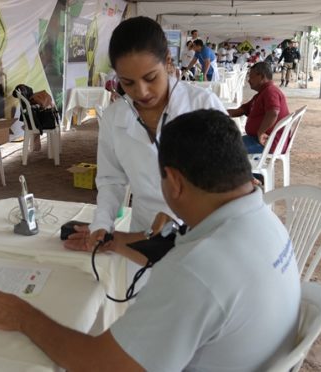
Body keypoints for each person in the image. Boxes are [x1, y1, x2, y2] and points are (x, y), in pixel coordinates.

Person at [0, 109, 301, 371]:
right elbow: (175, 248)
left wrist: (23, 316)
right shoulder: (264, 222)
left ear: (173, 182)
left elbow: (100, 366)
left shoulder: (196, 272)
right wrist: (111, 242)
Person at [64, 16, 225, 253]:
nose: (141, 91)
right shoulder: (114, 117)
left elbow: (228, 177)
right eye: (127, 83)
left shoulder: (202, 105)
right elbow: (111, 180)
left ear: (168, 62)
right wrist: (102, 224)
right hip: (143, 231)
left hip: (204, 233)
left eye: (151, 78)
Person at [227, 62, 291, 154]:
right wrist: (218, 114)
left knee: (224, 149)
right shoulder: (262, 93)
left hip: (268, 142)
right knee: (224, 143)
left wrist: (260, 132)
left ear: (262, 77)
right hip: (259, 139)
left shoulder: (270, 91)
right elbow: (242, 110)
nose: (248, 80)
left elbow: (273, 113)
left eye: (251, 77)